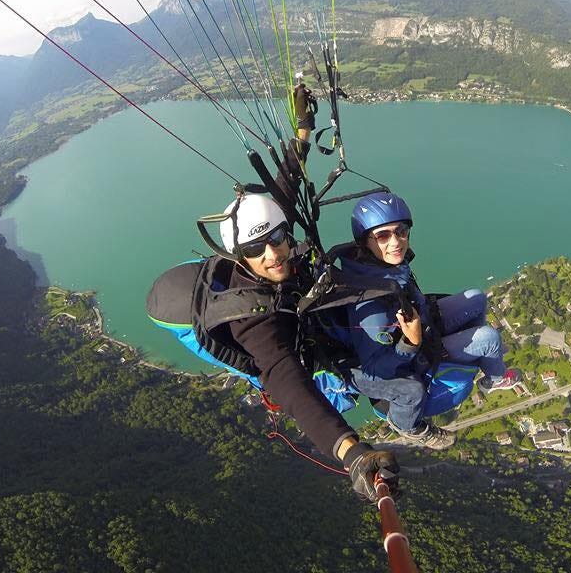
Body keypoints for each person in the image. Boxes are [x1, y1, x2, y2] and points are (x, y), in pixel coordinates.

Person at [147, 87, 398, 503]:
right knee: (339, 376)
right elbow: (289, 383)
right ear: (238, 255)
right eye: (256, 250)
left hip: (274, 307)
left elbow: (281, 190)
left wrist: (302, 134)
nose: (274, 253)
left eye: (279, 238)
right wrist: (350, 452)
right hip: (276, 352)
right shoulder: (256, 319)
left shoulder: (267, 239)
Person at [333, 192, 521, 447]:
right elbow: (375, 371)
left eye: (401, 231)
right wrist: (409, 343)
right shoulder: (367, 302)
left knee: (477, 298)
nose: (396, 241)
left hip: (422, 326)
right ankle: (494, 379)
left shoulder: (382, 267)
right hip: (409, 358)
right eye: (383, 235)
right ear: (365, 241)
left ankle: (480, 355)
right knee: (489, 338)